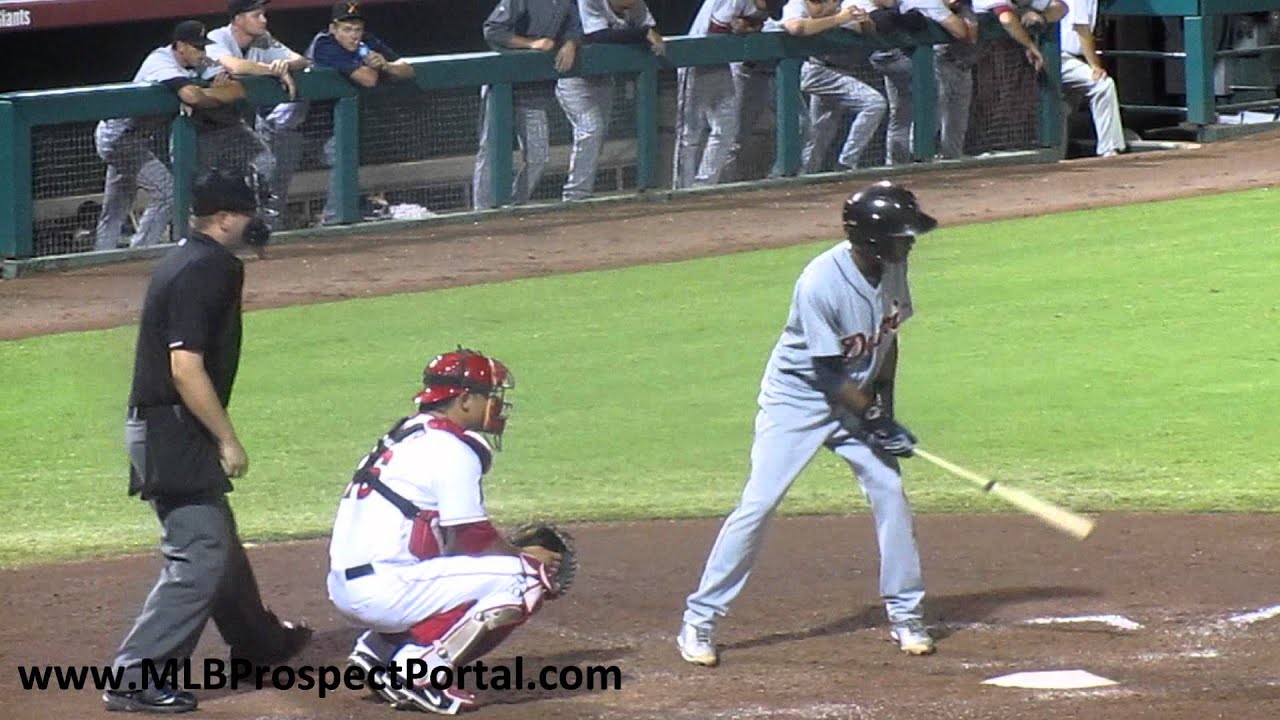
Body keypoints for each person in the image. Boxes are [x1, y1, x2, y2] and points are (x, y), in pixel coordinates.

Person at [677, 180, 939, 667]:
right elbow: (826, 374)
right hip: (797, 403)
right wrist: (873, 415)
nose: (910, 243)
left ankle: (906, 614)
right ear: (873, 239)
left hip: (856, 396)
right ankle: (701, 619)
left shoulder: (894, 267)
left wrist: (885, 406)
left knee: (890, 492)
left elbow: (887, 340)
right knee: (758, 505)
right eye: (902, 235)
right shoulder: (820, 281)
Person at [103, 169, 308, 714]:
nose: (257, 222)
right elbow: (185, 366)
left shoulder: (187, 258)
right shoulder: (209, 268)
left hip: (166, 425)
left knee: (218, 542)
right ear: (225, 219)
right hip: (174, 428)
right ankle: (135, 677)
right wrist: (228, 440)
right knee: (200, 553)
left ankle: (260, 644)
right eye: (249, 213)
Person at [326, 348, 563, 714]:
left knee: (484, 568)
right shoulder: (451, 448)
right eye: (490, 396)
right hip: (387, 588)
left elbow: (449, 540)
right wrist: (524, 557)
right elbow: (471, 537)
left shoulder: (408, 432)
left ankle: (380, 652)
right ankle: (417, 670)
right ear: (465, 399)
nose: (496, 406)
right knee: (528, 577)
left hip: (351, 584)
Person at [92, 20, 240, 251]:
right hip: (119, 137)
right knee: (168, 193)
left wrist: (215, 92)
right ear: (180, 46)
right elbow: (192, 97)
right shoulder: (160, 61)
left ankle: (101, 254)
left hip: (137, 139)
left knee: (117, 205)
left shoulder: (199, 61)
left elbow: (236, 88)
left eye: (203, 47)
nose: (202, 53)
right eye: (197, 47)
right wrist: (215, 94)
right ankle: (141, 252)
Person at [205, 0, 313, 229]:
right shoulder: (217, 38)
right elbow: (233, 66)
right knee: (192, 188)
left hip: (230, 125)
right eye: (256, 15)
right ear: (238, 19)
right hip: (195, 127)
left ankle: (257, 229)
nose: (264, 20)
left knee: (265, 163)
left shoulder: (263, 39)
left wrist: (283, 64)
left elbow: (301, 61)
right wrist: (272, 70)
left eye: (263, 14)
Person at [308, 1, 415, 225]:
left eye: (357, 29)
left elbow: (407, 69)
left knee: (342, 155)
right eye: (346, 29)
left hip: (326, 126)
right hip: (291, 125)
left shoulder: (366, 42)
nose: (353, 36)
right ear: (333, 29)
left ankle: (333, 219)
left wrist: (385, 65)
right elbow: (368, 79)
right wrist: (379, 67)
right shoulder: (324, 45)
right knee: (274, 178)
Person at [473, 0, 583, 209]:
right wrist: (530, 44)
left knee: (538, 157)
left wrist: (571, 43)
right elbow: (493, 31)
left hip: (534, 91)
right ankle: (482, 212)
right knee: (490, 151)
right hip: (502, 87)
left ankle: (514, 205)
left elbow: (577, 27)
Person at [556, 0, 664, 201]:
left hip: (604, 79)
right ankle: (574, 196)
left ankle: (582, 193)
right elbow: (598, 36)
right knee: (591, 130)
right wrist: (642, 34)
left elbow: (649, 28)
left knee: (597, 136)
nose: (631, 5)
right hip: (575, 79)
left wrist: (649, 32)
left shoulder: (636, 5)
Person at [672, 0, 784, 189]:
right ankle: (682, 189)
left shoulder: (763, 6)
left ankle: (704, 185)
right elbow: (717, 30)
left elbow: (758, 24)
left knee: (727, 127)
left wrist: (747, 26)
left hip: (721, 63)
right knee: (690, 132)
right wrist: (744, 28)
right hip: (695, 58)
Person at [781, 0, 888, 173]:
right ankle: (846, 163)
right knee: (874, 103)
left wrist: (866, 22)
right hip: (818, 69)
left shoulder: (848, 3)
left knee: (819, 134)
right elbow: (797, 28)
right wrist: (838, 19)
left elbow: (869, 31)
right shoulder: (797, 3)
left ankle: (805, 176)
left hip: (841, 70)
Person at [866, 0, 978, 164]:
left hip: (892, 56)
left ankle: (899, 164)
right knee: (927, 102)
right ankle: (916, 156)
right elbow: (962, 32)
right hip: (903, 58)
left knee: (902, 114)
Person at [1059, 0, 1126, 157]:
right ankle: (1109, 149)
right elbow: (1081, 28)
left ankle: (1058, 156)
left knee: (1063, 109)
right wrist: (1095, 65)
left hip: (1071, 58)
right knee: (1103, 85)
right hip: (1062, 58)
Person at [973, 0, 1067, 75]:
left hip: (1012, 61)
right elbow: (1007, 19)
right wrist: (1031, 46)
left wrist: (1041, 17)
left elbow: (1061, 7)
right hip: (983, 59)